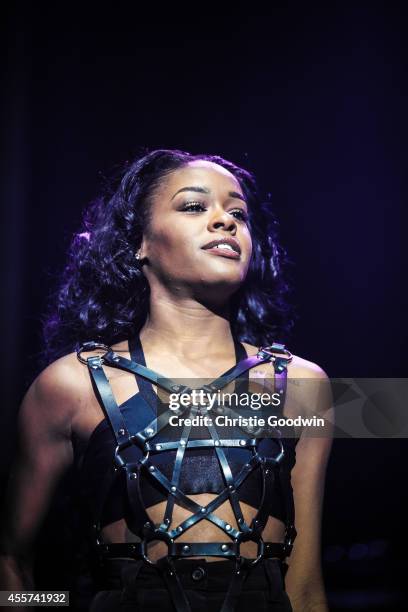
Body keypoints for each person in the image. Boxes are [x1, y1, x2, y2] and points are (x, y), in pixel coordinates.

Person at [0, 149, 333, 611]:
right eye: (194, 206)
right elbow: (10, 559)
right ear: (139, 241)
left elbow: (305, 583)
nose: (225, 221)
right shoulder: (70, 385)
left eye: (238, 213)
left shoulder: (301, 384)